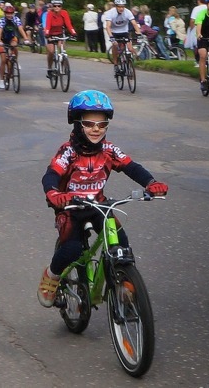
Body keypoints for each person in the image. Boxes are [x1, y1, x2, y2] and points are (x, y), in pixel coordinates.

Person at [37, 90, 169, 307]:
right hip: (70, 208)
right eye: (89, 123)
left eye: (102, 124)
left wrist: (150, 182)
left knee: (121, 242)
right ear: (77, 123)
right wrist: (53, 193)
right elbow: (51, 174)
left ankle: (123, 282)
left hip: (98, 206)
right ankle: (51, 276)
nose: (96, 129)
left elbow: (131, 167)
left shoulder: (108, 150)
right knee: (71, 249)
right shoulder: (68, 151)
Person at [104, 0, 141, 75]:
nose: (121, 8)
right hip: (114, 32)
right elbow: (108, 26)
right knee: (115, 46)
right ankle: (116, 64)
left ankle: (130, 61)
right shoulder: (110, 13)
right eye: (119, 6)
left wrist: (138, 32)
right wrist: (111, 37)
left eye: (123, 6)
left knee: (130, 48)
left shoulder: (128, 12)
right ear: (116, 6)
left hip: (124, 31)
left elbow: (134, 23)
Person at [0, 5, 29, 89]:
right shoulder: (2, 20)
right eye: (7, 13)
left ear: (13, 13)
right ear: (5, 13)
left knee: (15, 46)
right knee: (3, 59)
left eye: (11, 13)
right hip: (2, 40)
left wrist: (26, 39)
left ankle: (15, 60)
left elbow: (20, 29)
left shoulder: (16, 19)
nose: (9, 15)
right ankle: (1, 80)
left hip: (11, 38)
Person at [43, 0, 77, 77]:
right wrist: (47, 34)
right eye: (55, 6)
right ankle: (49, 68)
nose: (57, 8)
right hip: (50, 34)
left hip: (60, 33)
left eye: (59, 6)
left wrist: (74, 33)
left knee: (62, 50)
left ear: (61, 6)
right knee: (51, 51)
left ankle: (61, 67)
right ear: (52, 7)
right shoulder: (50, 14)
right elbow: (47, 26)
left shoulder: (64, 13)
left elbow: (68, 24)